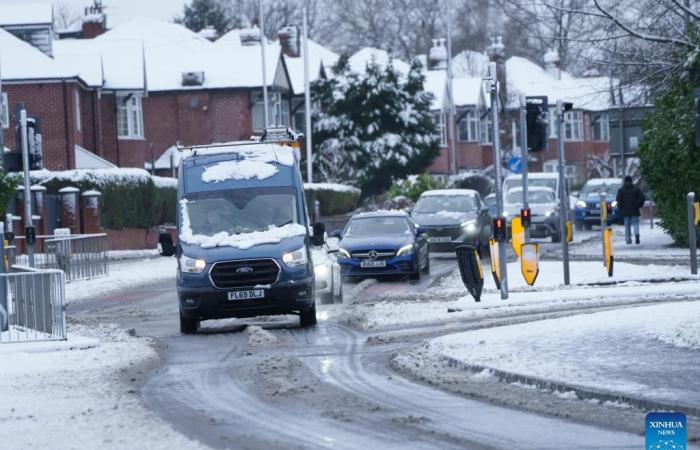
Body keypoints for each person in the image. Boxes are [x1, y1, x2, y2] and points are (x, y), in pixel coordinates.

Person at [616, 175, 646, 244]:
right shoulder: (636, 189)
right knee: (635, 224)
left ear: (625, 181)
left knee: (627, 226)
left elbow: (618, 201)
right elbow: (642, 198)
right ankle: (637, 234)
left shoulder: (621, 190)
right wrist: (638, 205)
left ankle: (628, 239)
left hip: (625, 211)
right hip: (635, 210)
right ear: (631, 181)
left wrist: (621, 209)